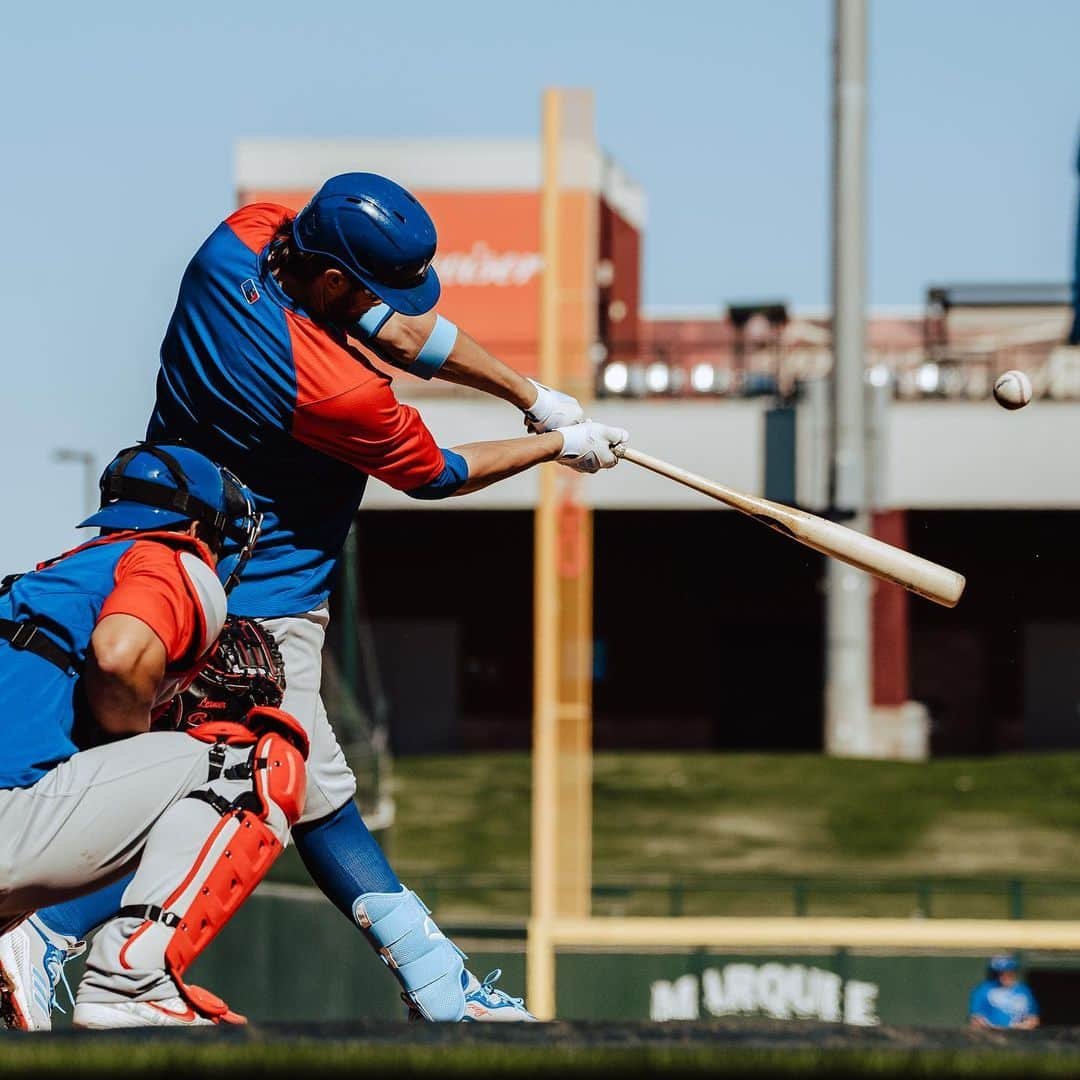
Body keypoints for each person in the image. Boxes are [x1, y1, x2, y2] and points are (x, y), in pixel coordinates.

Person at [4, 172, 628, 1028]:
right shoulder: (334, 389)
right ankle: (64, 938)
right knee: (275, 783)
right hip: (257, 594)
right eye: (369, 288)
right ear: (333, 281)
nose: (391, 307)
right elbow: (437, 474)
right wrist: (559, 444)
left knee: (293, 784)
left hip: (164, 545)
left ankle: (436, 980)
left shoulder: (240, 240)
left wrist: (528, 393)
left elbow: (396, 330)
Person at [0, 442, 310, 1029]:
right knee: (250, 761)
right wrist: (136, 744)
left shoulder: (43, 583)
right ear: (198, 525)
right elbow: (118, 656)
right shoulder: (168, 557)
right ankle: (130, 983)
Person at [968, 955, 1040, 1030]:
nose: (1003, 976)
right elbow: (975, 1019)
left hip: (1019, 1036)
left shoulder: (1024, 991)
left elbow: (1034, 1019)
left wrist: (1018, 1027)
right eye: (1000, 972)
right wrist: (996, 1029)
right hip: (991, 1036)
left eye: (1008, 972)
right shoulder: (984, 990)